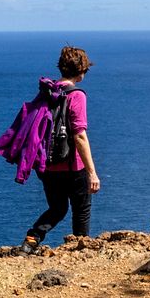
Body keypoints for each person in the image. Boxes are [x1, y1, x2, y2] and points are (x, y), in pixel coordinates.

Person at [23, 46, 99, 252]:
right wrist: (92, 172)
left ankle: (32, 238)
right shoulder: (76, 95)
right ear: (82, 70)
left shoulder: (48, 91)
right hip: (73, 165)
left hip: (47, 165)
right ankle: (81, 250)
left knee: (57, 208)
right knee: (81, 209)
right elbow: (80, 136)